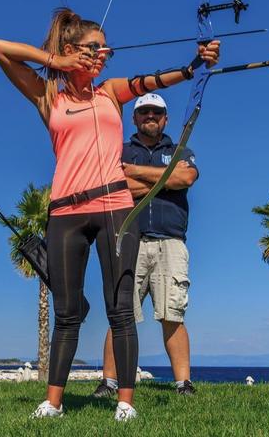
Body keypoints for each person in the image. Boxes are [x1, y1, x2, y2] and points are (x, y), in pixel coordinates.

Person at [0, 8, 218, 421]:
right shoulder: (49, 97)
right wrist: (55, 62)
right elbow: (0, 49)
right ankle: (53, 402)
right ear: (71, 49)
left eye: (105, 49)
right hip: (65, 211)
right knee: (67, 312)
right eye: (94, 47)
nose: (103, 54)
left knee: (120, 310)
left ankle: (125, 403)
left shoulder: (111, 92)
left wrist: (193, 65)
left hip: (115, 208)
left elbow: (153, 80)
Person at [92, 93, 199, 399]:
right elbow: (115, 184)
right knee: (120, 313)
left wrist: (137, 173)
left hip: (171, 242)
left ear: (165, 118)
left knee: (173, 313)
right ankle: (109, 382)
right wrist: (168, 180)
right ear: (135, 118)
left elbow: (187, 177)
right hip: (129, 239)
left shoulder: (179, 149)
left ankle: (183, 384)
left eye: (157, 111)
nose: (150, 115)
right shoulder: (120, 150)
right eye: (144, 112)